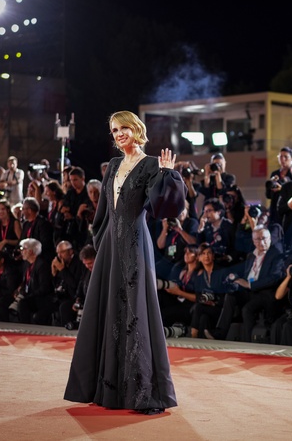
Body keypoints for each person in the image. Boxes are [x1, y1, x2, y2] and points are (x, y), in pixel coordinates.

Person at [65, 110, 185, 414]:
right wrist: (102, 242)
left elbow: (163, 207)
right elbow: (103, 211)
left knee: (135, 311)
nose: (119, 134)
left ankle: (142, 393)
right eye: (114, 130)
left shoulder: (151, 164)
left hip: (135, 243)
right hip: (110, 245)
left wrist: (168, 175)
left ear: (136, 129)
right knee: (107, 311)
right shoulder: (114, 165)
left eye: (123, 128)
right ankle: (107, 390)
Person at [205, 227, 284, 342]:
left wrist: (250, 285)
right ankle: (220, 333)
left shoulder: (276, 255)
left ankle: (247, 342)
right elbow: (247, 275)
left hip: (265, 293)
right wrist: (236, 279)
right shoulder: (251, 255)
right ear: (253, 241)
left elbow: (274, 278)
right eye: (258, 239)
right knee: (231, 295)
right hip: (250, 291)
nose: (261, 242)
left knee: (247, 309)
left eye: (264, 238)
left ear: (270, 238)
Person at [14, 238, 55, 325]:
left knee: (23, 303)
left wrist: (28, 295)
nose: (21, 251)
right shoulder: (26, 264)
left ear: (31, 251)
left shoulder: (42, 265)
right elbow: (26, 281)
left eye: (23, 249)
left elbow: (44, 288)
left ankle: (25, 329)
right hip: (31, 295)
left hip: (42, 298)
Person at [51, 240, 84, 327]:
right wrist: (54, 273)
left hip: (74, 297)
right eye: (58, 253)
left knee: (64, 307)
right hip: (63, 295)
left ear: (70, 251)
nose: (59, 256)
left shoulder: (79, 262)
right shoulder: (62, 263)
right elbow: (56, 285)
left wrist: (63, 270)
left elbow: (75, 285)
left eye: (62, 252)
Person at [266, 147, 292, 225]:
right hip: (274, 210)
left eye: (286, 157)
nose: (283, 159)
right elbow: (268, 195)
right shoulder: (275, 174)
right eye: (280, 156)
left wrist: (282, 189)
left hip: (288, 211)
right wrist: (270, 187)